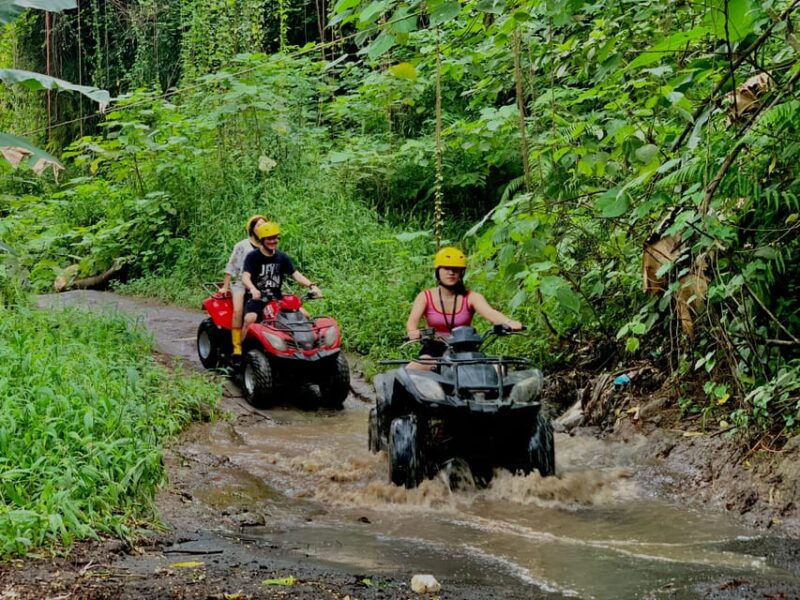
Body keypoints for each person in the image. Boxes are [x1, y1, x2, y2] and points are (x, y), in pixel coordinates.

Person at [405, 246, 522, 369]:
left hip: (465, 346)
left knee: (497, 369)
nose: (451, 272)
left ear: (461, 272)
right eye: (446, 268)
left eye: (455, 269)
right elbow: (411, 324)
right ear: (438, 271)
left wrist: (509, 322)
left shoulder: (471, 297)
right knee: (414, 369)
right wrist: (413, 332)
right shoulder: (425, 296)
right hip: (434, 347)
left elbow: (490, 312)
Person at [241, 221, 321, 339]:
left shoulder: (281, 257)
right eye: (269, 238)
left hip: (277, 299)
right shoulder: (253, 256)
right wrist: (253, 289)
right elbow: (245, 277)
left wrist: (312, 286)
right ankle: (240, 351)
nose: (273, 241)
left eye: (275, 238)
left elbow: (296, 274)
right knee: (250, 318)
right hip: (256, 298)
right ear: (262, 239)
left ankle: (301, 347)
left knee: (305, 315)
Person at [220, 214, 267, 358]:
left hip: (262, 284)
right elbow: (231, 266)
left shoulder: (267, 245)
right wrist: (225, 287)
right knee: (238, 310)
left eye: (264, 225)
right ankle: (237, 347)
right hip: (241, 283)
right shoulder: (242, 245)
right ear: (252, 229)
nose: (261, 228)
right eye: (258, 225)